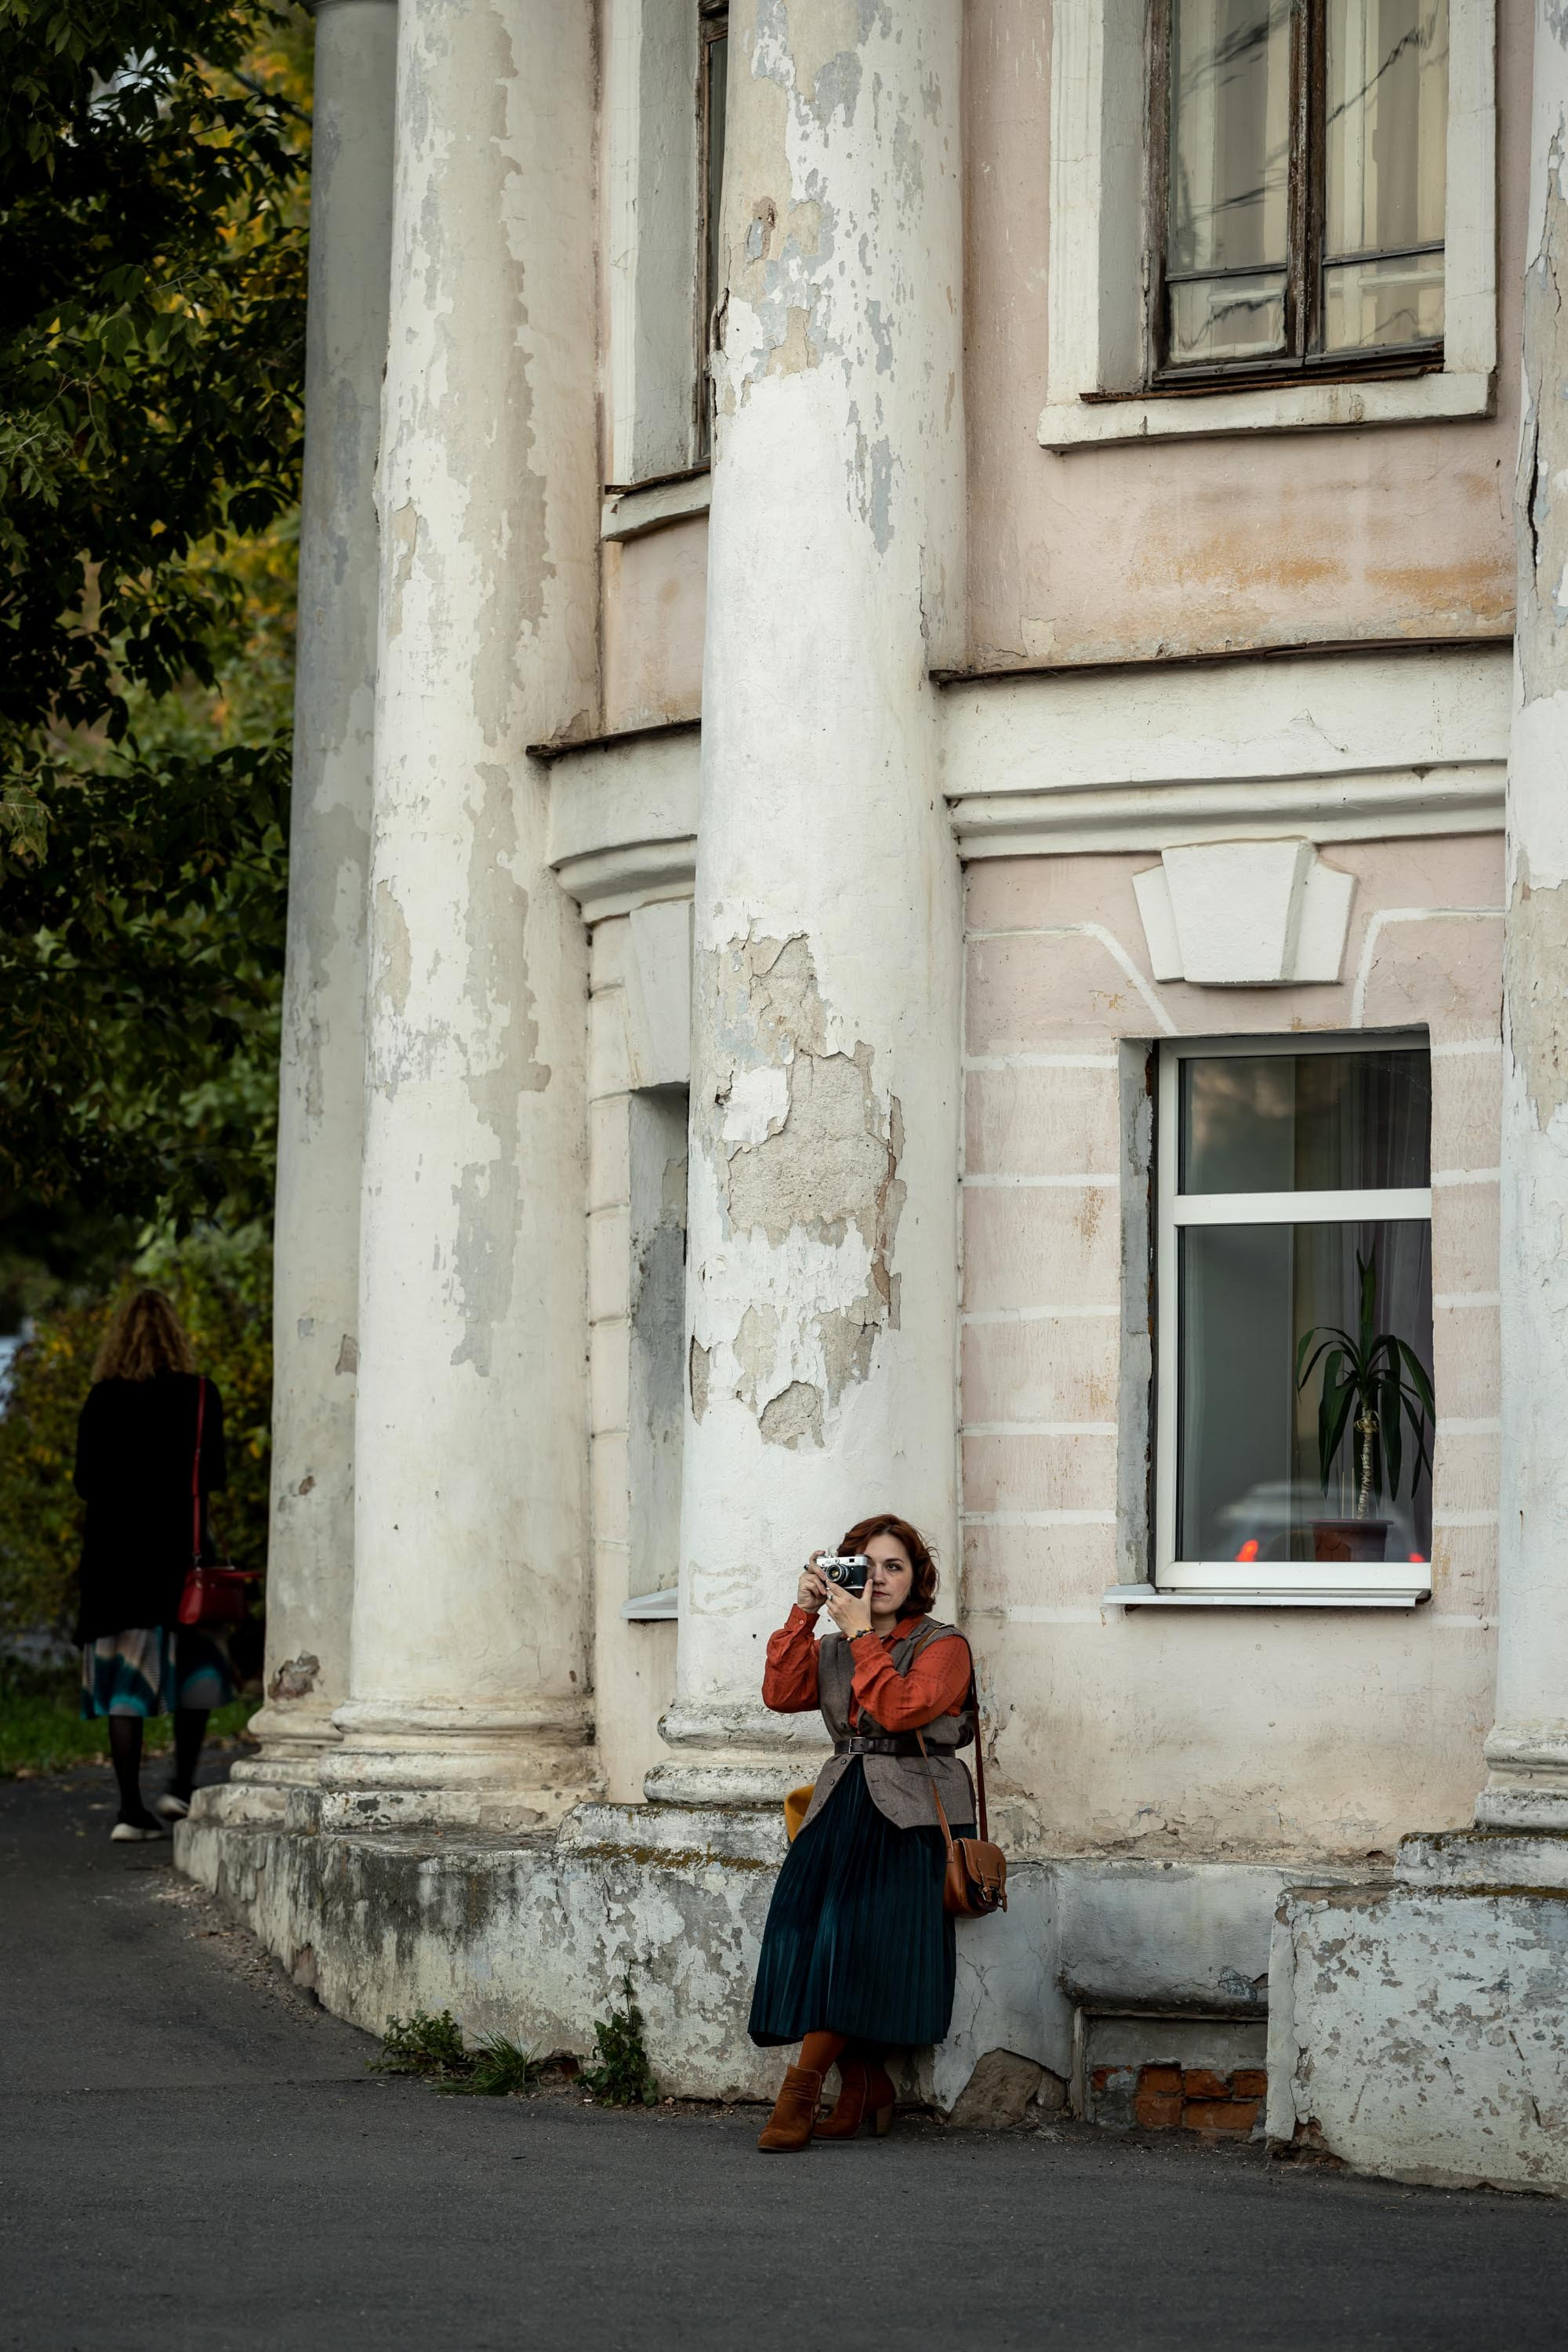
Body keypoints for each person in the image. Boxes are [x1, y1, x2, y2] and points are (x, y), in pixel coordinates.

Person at [747, 1512, 977, 2152]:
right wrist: (805, 1613)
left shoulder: (943, 1644)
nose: (878, 1579)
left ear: (916, 1580)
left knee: (852, 1944)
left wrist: (860, 1635)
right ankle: (867, 2083)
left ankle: (799, 2093)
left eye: (894, 1567)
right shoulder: (832, 1646)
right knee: (799, 1930)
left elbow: (901, 1708)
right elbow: (779, 1692)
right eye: (865, 1566)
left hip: (911, 1812)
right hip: (840, 1801)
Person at [74, 1289, 234, 1841]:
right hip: (181, 1555)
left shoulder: (101, 1400)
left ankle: (128, 1811)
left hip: (115, 1564)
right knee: (197, 1668)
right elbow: (213, 1475)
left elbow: (84, 1483)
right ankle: (181, 1788)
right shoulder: (198, 1395)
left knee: (127, 1679)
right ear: (176, 1336)